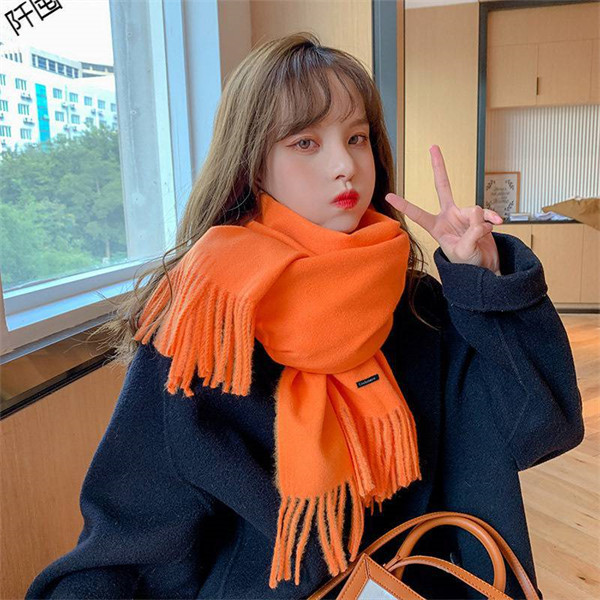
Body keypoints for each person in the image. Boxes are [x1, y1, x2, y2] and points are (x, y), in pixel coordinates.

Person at [26, 32, 584, 599]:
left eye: (357, 137)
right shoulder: (207, 325)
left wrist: (483, 282)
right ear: (253, 165)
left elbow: (538, 429)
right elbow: (131, 538)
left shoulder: (420, 308)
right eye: (305, 142)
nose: (345, 165)